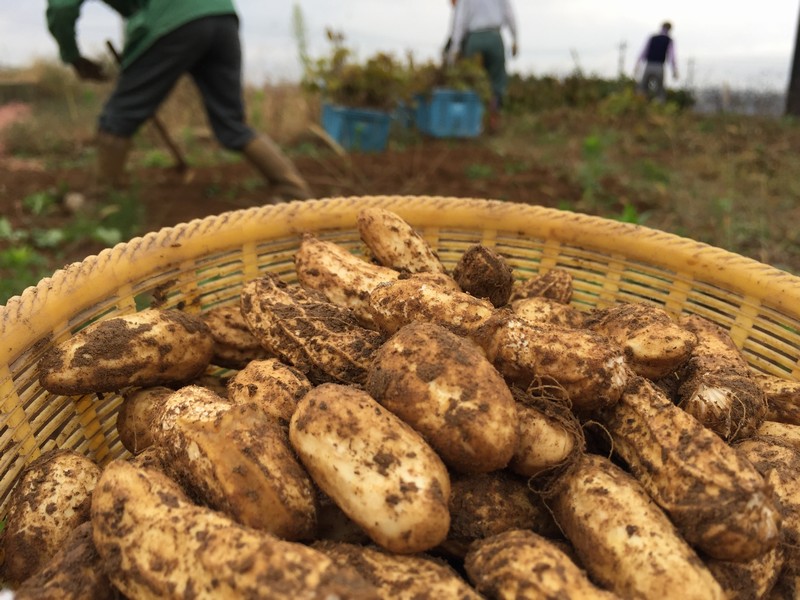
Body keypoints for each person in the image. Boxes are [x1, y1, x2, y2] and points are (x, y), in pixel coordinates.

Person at [45, 0, 312, 202]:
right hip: (221, 16)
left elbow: (61, 8)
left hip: (168, 23)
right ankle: (295, 190)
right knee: (231, 121)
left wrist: (73, 56)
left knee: (118, 117)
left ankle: (101, 201)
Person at [446, 0, 518, 133]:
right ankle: (492, 120)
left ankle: (473, 123)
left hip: (475, 39)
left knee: (472, 82)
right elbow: (509, 14)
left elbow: (460, 21)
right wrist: (515, 38)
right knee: (496, 84)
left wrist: (455, 48)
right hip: (495, 38)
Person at [635, 21, 679, 103]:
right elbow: (672, 57)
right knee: (660, 91)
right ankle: (659, 108)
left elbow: (644, 51)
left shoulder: (652, 38)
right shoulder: (669, 40)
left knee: (642, 88)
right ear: (670, 29)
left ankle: (640, 105)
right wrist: (674, 70)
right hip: (659, 67)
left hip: (648, 65)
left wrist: (637, 63)